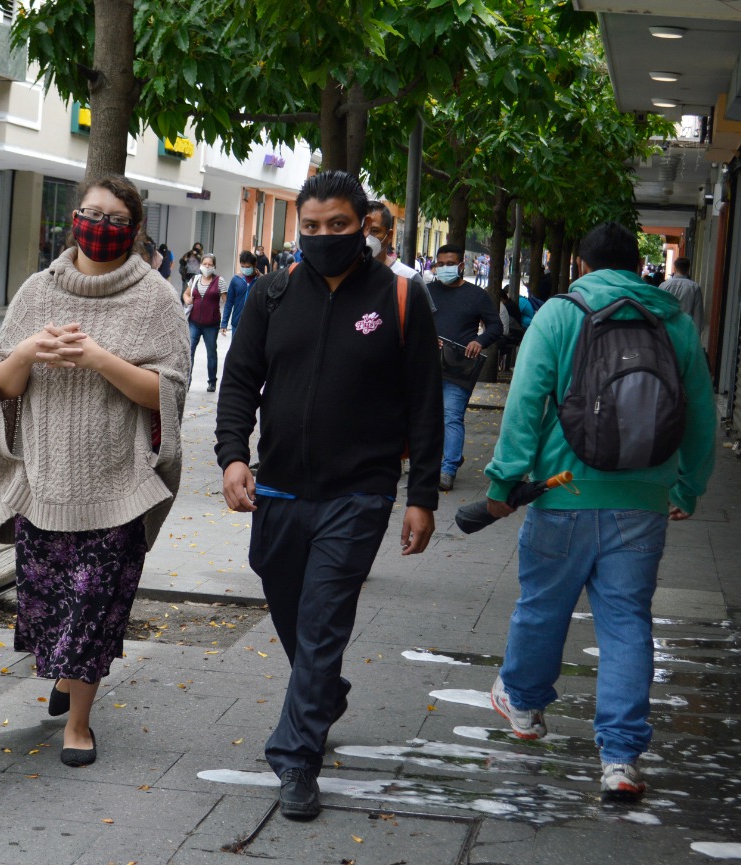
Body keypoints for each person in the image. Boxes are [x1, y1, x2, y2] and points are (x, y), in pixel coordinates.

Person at [215, 170, 442, 821]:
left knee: (322, 619)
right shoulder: (272, 293)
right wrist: (233, 456)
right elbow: (239, 384)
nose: (322, 237)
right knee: (292, 611)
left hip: (361, 492)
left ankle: (296, 755)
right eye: (310, 227)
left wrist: (420, 493)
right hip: (280, 489)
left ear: (364, 223)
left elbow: (427, 405)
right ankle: (324, 691)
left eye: (336, 225)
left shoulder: (401, 298)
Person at [482, 221, 716, 801]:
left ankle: (526, 705)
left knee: (542, 606)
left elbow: (526, 401)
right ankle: (620, 759)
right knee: (627, 623)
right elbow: (702, 416)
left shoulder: (560, 315)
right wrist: (686, 489)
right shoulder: (674, 322)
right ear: (638, 267)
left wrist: (503, 481)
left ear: (581, 266)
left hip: (562, 493)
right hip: (642, 503)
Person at [0, 173, 190, 768]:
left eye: (115, 220)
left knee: (94, 608)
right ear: (74, 218)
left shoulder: (157, 300)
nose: (99, 227)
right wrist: (25, 353)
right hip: (44, 484)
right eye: (91, 213)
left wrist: (99, 359)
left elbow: (167, 394)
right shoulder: (36, 292)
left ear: (135, 231)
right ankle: (66, 674)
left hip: (118, 485)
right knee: (47, 607)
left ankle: (78, 723)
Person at [427, 243, 503, 491]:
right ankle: (435, 462)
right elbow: (410, 322)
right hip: (426, 366)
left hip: (459, 369)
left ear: (461, 266)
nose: (445, 268)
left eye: (450, 264)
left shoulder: (476, 295)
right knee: (427, 417)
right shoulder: (426, 292)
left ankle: (447, 470)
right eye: (441, 264)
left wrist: (479, 341)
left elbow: (495, 326)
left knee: (451, 415)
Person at [365, 201, 434, 312]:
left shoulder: (410, 278)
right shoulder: (342, 276)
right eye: (362, 229)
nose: (367, 236)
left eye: (374, 231)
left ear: (389, 236)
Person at [183, 253, 224, 392]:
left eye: (210, 264)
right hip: (194, 322)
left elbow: (226, 300)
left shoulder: (219, 281)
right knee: (190, 352)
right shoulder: (195, 279)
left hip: (211, 324)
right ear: (201, 265)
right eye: (205, 264)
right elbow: (186, 293)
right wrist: (187, 299)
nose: (207, 267)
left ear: (214, 266)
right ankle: (187, 381)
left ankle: (212, 382)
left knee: (211, 353)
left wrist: (224, 322)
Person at [658, 257, 705, 336]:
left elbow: (659, 308)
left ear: (675, 268)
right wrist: (697, 335)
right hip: (686, 331)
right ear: (688, 268)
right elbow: (698, 314)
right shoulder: (694, 287)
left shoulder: (664, 286)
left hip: (667, 330)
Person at [222, 250, 256, 340]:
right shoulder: (236, 280)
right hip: (237, 324)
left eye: (248, 267)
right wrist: (224, 323)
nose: (245, 269)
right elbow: (229, 303)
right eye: (242, 266)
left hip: (254, 325)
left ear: (254, 265)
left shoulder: (261, 281)